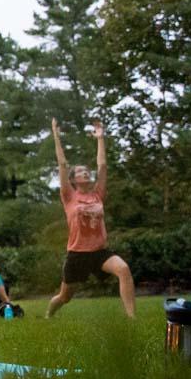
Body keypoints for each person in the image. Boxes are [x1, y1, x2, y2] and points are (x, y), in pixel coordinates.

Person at [47, 119, 135, 318]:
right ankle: (49, 314)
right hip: (77, 254)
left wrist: (100, 138)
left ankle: (132, 318)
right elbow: (62, 164)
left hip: (99, 252)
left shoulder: (97, 194)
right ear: (73, 179)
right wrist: (56, 135)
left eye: (87, 171)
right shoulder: (69, 196)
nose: (86, 172)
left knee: (123, 269)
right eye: (80, 171)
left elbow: (102, 166)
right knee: (65, 297)